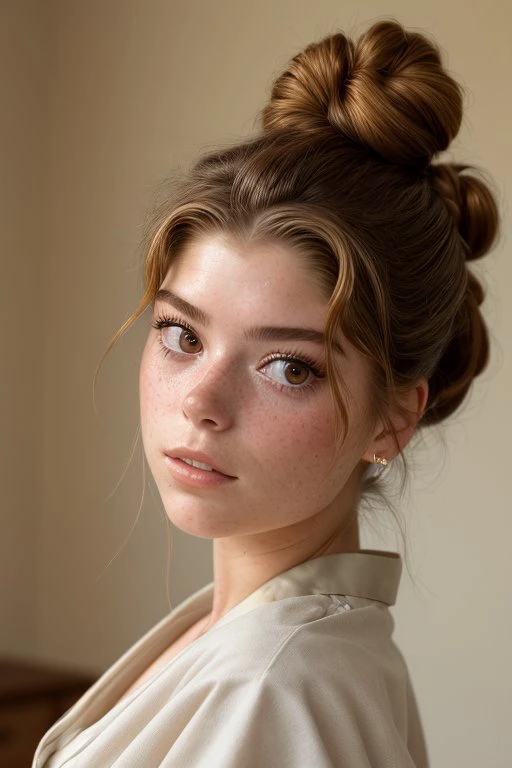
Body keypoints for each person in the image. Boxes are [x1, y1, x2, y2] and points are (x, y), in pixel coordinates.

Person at [33, 17, 499, 768]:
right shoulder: (269, 645)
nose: (201, 402)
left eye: (289, 367)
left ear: (393, 418)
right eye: (183, 335)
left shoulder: (276, 688)